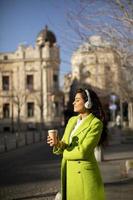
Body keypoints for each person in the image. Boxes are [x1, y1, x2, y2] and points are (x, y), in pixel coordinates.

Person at [47, 88, 107, 200]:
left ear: (88, 103)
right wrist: (57, 143)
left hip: (84, 176)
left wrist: (64, 152)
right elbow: (64, 143)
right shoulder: (72, 120)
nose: (74, 102)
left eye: (77, 100)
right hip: (70, 174)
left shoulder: (95, 124)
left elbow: (82, 152)